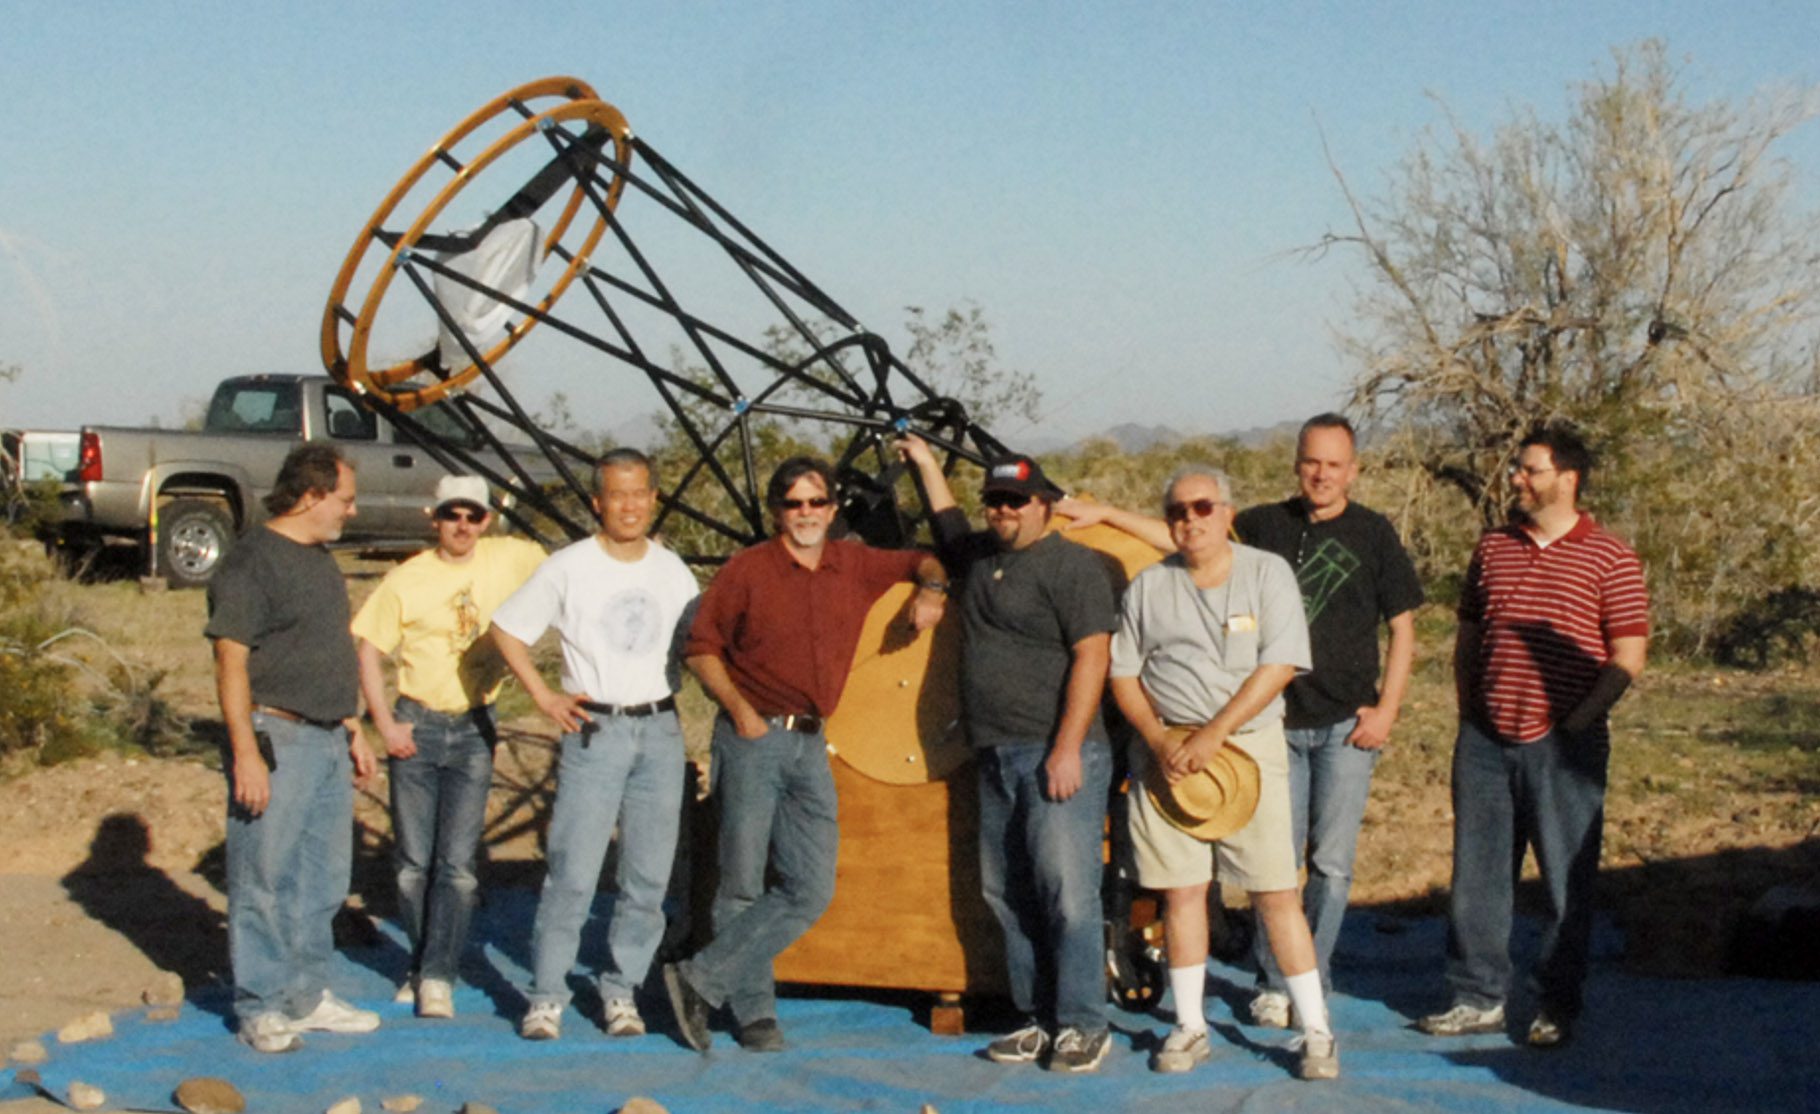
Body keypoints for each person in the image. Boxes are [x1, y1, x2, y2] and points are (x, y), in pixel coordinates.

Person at [1060, 414, 1423, 1026]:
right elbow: (1187, 533)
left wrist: (1386, 709)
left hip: (1342, 722)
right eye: (1312, 461)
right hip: (1269, 727)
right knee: (1271, 868)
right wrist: (1109, 516)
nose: (1322, 474)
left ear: (1353, 471)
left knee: (1329, 866)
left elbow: (1404, 628)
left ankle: (1309, 982)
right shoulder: (1264, 525)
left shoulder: (1374, 534)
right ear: (1297, 465)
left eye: (1334, 464)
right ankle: (1273, 982)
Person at [661, 456, 947, 1053]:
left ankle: (698, 979)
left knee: (810, 886)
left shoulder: (853, 563)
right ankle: (754, 1016)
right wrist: (741, 713)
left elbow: (924, 557)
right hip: (754, 738)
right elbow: (700, 646)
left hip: (813, 742)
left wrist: (931, 590)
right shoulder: (748, 571)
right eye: (794, 504)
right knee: (740, 882)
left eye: (817, 502)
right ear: (776, 512)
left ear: (834, 509)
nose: (806, 514)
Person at [1107, 464, 1340, 1081]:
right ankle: (1189, 1025)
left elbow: (1281, 663)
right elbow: (1123, 673)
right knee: (1181, 891)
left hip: (1248, 748)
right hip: (1168, 757)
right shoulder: (1147, 587)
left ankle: (1316, 1030)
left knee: (1274, 892)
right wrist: (1159, 739)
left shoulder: (1268, 573)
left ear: (1227, 513)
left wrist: (1215, 734)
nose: (1191, 520)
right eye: (1179, 511)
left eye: (1203, 508)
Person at [1418, 423, 1648, 1048]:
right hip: (1486, 741)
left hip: (1566, 745)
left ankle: (1556, 1004)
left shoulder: (1611, 555)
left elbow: (1628, 652)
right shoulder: (1493, 547)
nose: (1516, 478)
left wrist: (1580, 718)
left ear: (1567, 479)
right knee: (1478, 874)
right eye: (1517, 469)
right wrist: (1470, 713)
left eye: (1530, 470)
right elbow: (1469, 636)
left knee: (1565, 882)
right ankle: (1476, 995)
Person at [897, 437, 1120, 1074]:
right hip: (992, 753)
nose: (1003, 511)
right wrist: (927, 464)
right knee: (1007, 892)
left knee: (1068, 893)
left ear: (1044, 504)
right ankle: (1034, 1018)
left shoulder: (1073, 568)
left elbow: (1092, 657)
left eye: (1016, 501)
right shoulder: (981, 558)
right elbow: (945, 530)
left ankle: (1082, 1023)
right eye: (994, 500)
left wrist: (1069, 747)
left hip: (1057, 752)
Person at [488, 449, 701, 1042]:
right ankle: (548, 995)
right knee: (573, 871)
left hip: (658, 730)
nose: (629, 506)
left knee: (647, 877)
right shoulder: (569, 567)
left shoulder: (672, 570)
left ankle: (621, 991)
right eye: (617, 495)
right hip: (594, 730)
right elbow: (506, 629)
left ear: (653, 499)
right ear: (597, 503)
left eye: (639, 494)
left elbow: (699, 642)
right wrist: (543, 696)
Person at [205, 444, 379, 1053]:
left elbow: (327, 649)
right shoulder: (252, 562)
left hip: (329, 737)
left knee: (323, 879)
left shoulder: (320, 561)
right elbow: (231, 662)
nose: (351, 512)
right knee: (263, 878)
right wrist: (247, 752)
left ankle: (306, 995)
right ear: (310, 496)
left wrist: (353, 728)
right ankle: (262, 1004)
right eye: (345, 499)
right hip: (276, 735)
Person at [351, 474, 545, 1018]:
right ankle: (422, 964)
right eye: (452, 514)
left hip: (474, 726)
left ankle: (437, 973)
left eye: (473, 516)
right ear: (433, 517)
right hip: (417, 721)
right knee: (414, 863)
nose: (462, 525)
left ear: (488, 520)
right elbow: (367, 649)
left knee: (458, 866)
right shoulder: (406, 579)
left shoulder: (510, 558)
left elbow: (567, 572)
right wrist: (384, 724)